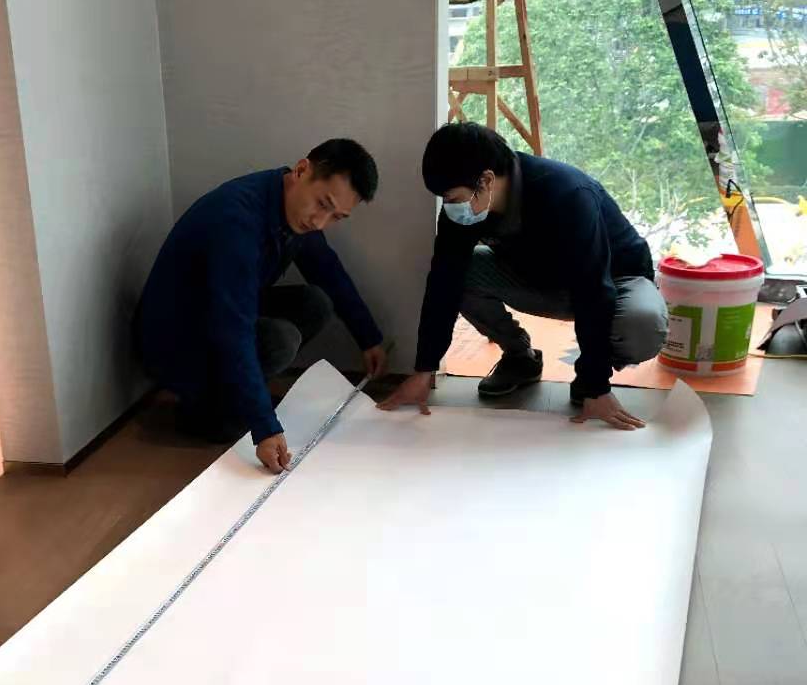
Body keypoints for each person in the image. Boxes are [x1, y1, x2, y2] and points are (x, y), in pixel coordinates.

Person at [379, 123, 669, 431]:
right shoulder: (466, 208)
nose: (449, 207)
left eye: (451, 198)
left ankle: (590, 378)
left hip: (613, 280)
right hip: (541, 278)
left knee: (643, 325)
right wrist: (424, 370)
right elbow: (444, 281)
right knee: (461, 275)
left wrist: (596, 384)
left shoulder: (566, 194)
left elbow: (594, 289)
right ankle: (520, 357)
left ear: (486, 180)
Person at [135, 139, 387, 471]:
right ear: (301, 170)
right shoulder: (237, 220)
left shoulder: (294, 208)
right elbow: (233, 326)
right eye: (322, 204)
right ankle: (205, 407)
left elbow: (328, 271)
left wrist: (369, 338)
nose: (320, 222)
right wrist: (265, 428)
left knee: (316, 302)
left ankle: (237, 395)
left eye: (336, 217)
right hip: (175, 342)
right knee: (280, 340)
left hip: (215, 314)